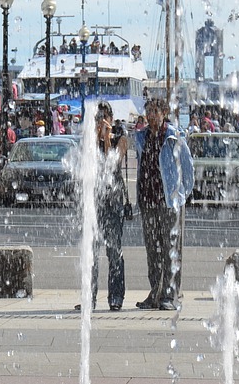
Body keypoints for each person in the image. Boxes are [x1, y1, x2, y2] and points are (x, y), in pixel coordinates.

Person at [134, 98, 194, 311]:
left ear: (164, 112)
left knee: (170, 249)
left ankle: (169, 295)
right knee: (153, 250)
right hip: (148, 201)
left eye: (155, 112)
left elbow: (188, 170)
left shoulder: (174, 137)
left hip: (169, 202)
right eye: (148, 112)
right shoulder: (142, 137)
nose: (151, 116)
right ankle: (155, 292)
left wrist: (180, 197)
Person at [76, 103, 128, 312]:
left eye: (104, 117)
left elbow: (111, 166)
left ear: (111, 117)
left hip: (113, 203)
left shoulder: (120, 137)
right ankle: (89, 297)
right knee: (91, 252)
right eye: (98, 117)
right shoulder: (89, 141)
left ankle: (116, 296)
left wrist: (107, 139)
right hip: (94, 203)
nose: (100, 121)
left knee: (114, 251)